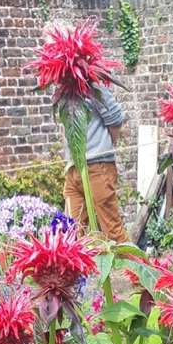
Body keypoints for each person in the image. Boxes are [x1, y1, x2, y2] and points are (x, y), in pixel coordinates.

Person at [63, 86, 127, 244]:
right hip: (73, 169)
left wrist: (102, 147)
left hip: (97, 166)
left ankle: (136, 268)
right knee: (73, 234)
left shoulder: (93, 84)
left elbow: (115, 118)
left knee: (112, 231)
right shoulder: (63, 88)